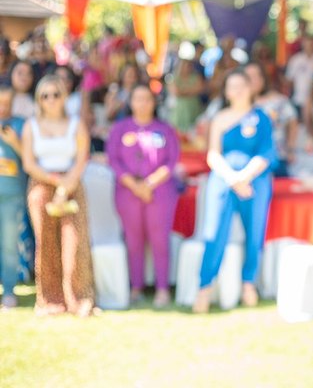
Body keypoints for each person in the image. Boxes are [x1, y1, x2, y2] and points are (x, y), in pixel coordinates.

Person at [192, 70, 274, 313]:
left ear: (251, 88)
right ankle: (204, 287)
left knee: (255, 231)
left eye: (242, 85)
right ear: (226, 91)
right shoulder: (219, 118)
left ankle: (249, 284)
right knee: (214, 231)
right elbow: (213, 154)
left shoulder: (261, 117)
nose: (237, 90)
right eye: (232, 86)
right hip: (223, 178)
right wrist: (232, 178)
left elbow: (267, 151)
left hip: (255, 180)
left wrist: (245, 176)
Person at [21, 75, 95, 316]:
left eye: (55, 94)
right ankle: (50, 300)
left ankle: (79, 299)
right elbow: (29, 163)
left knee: (75, 242)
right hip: (42, 184)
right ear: (38, 100)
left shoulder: (76, 124)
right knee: (46, 244)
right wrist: (55, 182)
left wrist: (65, 186)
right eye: (45, 95)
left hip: (72, 183)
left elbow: (81, 157)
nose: (51, 99)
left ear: (64, 97)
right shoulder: (31, 126)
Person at [106, 84, 181, 307]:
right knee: (134, 240)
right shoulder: (120, 129)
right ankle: (136, 287)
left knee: (159, 240)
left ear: (153, 102)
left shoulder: (164, 129)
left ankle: (162, 289)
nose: (142, 103)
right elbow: (114, 160)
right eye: (138, 99)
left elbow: (171, 161)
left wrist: (149, 184)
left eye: (147, 99)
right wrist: (135, 186)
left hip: (160, 192)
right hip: (128, 192)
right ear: (131, 102)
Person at [244, 62, 298, 177]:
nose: (252, 80)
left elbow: (293, 122)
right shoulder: (235, 104)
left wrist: (291, 149)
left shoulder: (278, 101)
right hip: (245, 160)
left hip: (276, 158)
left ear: (263, 78)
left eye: (256, 76)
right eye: (248, 77)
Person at [0, 86, 26, 309]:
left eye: (7, 101)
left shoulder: (21, 124)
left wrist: (14, 142)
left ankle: (9, 290)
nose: (3, 106)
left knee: (9, 244)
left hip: (12, 195)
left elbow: (30, 159)